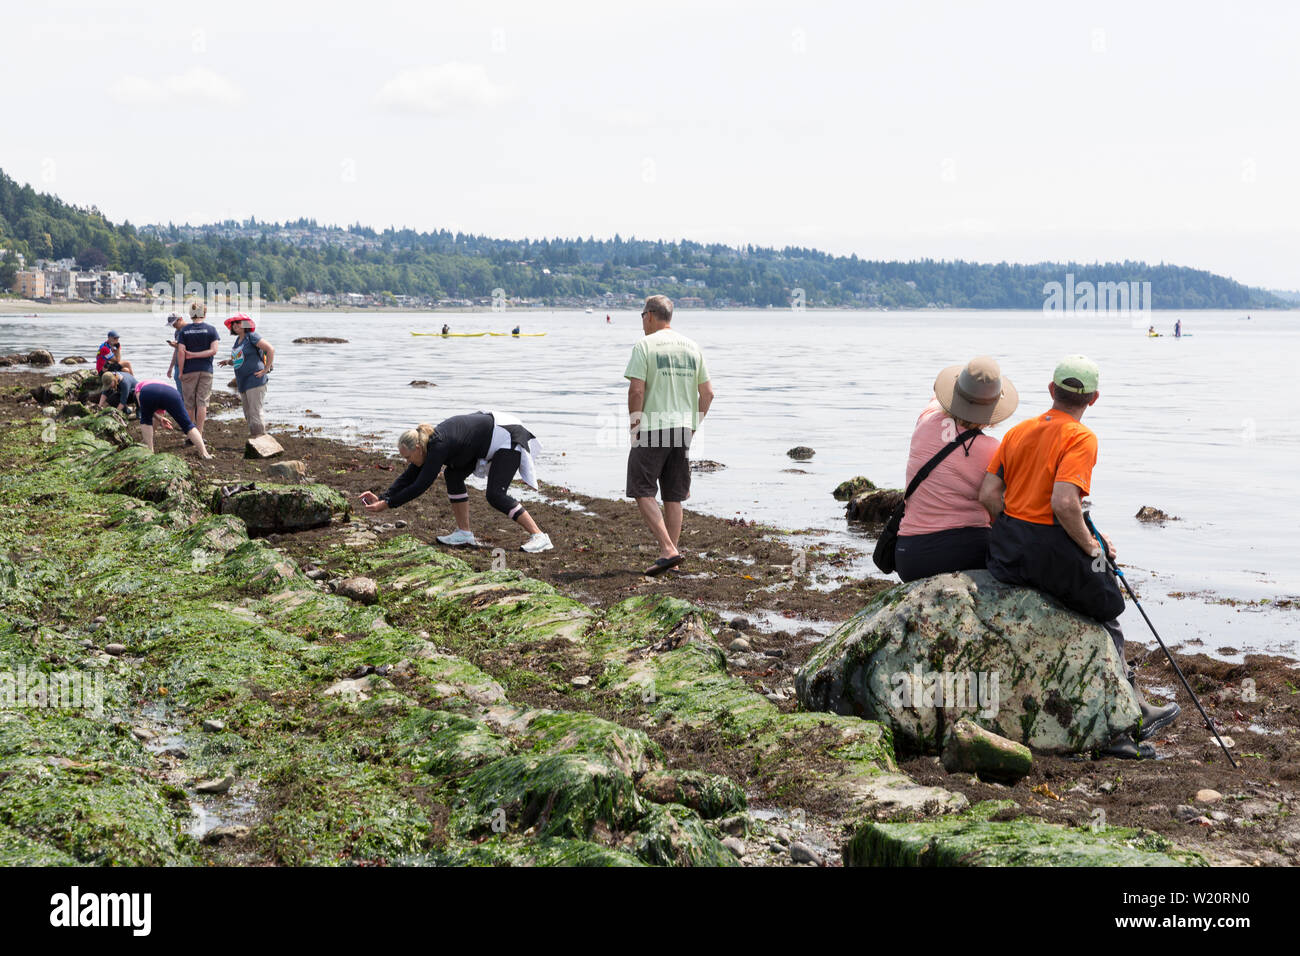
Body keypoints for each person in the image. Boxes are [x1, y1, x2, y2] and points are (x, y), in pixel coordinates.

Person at [978, 355, 1179, 759]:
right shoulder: (1081, 438)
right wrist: (1091, 547)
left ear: (1051, 391)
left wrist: (1018, 527)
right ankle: (1129, 716)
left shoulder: (1016, 432)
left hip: (1008, 551)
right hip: (1051, 548)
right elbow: (1064, 503)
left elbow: (987, 495)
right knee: (1109, 607)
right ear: (1094, 398)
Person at [894, 357, 1018, 582]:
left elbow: (936, 391)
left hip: (909, 558)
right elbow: (1001, 504)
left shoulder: (926, 420)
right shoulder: (991, 450)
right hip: (965, 555)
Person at [359, 411, 553, 553]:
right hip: (486, 439)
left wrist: (387, 504)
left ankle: (539, 536)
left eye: (408, 457)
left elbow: (421, 485)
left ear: (418, 448)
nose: (407, 462)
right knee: (453, 475)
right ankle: (464, 533)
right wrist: (384, 497)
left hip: (508, 435)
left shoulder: (438, 446)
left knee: (495, 495)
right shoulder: (428, 445)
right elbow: (410, 476)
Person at [624, 294, 714, 576]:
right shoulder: (692, 347)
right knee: (673, 494)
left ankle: (668, 549)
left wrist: (634, 424)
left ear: (650, 315)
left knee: (641, 488)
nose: (641, 321)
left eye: (641, 316)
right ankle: (671, 555)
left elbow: (637, 390)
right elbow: (708, 394)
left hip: (653, 426)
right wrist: (694, 424)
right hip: (683, 429)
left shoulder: (644, 346)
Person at [100, 373, 212, 458]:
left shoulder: (139, 387)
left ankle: (150, 450)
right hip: (172, 393)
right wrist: (160, 418)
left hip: (149, 392)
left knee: (146, 419)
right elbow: (159, 410)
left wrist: (152, 416)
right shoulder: (158, 383)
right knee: (187, 424)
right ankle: (204, 452)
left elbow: (145, 409)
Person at [217, 313, 274, 438]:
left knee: (255, 411)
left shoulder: (252, 336)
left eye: (239, 322)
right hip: (242, 382)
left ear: (246, 325)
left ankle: (260, 439)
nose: (235, 325)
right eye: (234, 323)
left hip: (255, 379)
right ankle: (255, 437)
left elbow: (270, 349)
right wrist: (228, 362)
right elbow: (240, 360)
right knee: (248, 413)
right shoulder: (238, 341)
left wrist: (266, 368)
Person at [175, 300, 220, 434]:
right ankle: (199, 433)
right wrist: (197, 355)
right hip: (206, 370)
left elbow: (181, 353)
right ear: (204, 313)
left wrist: (181, 372)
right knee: (202, 403)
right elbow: (214, 351)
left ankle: (190, 434)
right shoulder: (211, 330)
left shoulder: (184, 331)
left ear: (190, 314)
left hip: (189, 370)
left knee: (189, 403)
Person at [164, 313, 186, 392]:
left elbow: (192, 348)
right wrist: (170, 367)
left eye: (174, 323)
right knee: (180, 390)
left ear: (180, 319)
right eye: (171, 325)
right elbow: (176, 350)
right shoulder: (177, 332)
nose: (173, 326)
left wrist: (177, 346)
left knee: (187, 391)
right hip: (178, 363)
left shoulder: (190, 329)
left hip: (188, 363)